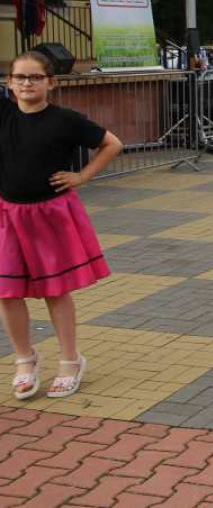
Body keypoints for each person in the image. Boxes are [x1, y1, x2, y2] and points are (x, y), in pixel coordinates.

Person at [0, 51, 123, 400]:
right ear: (9, 83)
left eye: (35, 77)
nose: (26, 83)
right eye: (19, 77)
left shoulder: (65, 120)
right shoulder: (3, 113)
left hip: (49, 214)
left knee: (55, 290)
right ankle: (25, 359)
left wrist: (83, 176)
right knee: (7, 292)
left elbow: (112, 144)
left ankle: (70, 360)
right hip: (8, 214)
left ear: (51, 82)